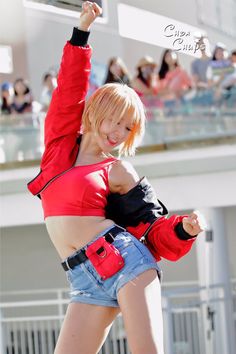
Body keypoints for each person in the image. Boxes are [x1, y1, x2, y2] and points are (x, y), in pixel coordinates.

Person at [27, 3, 204, 353]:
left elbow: (151, 228)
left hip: (126, 263)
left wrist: (184, 228)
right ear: (96, 113)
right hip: (83, 278)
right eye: (114, 120)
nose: (118, 132)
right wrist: (82, 32)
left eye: (128, 127)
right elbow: (69, 91)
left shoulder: (118, 170)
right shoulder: (61, 147)